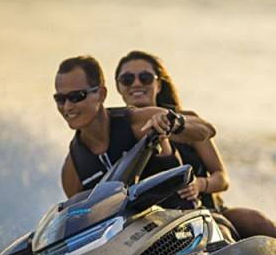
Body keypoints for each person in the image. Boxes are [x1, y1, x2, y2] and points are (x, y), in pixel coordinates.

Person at [114, 50, 276, 245]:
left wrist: (200, 184)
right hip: (155, 223)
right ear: (118, 87)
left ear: (158, 85)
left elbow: (222, 178)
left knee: (255, 221)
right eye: (127, 79)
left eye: (145, 77)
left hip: (208, 211)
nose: (136, 83)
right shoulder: (117, 134)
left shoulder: (188, 123)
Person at [56, 55, 216, 198]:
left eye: (76, 96)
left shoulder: (138, 122)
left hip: (183, 217)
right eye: (60, 99)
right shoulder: (72, 168)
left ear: (101, 94)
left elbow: (207, 130)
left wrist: (174, 123)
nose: (67, 107)